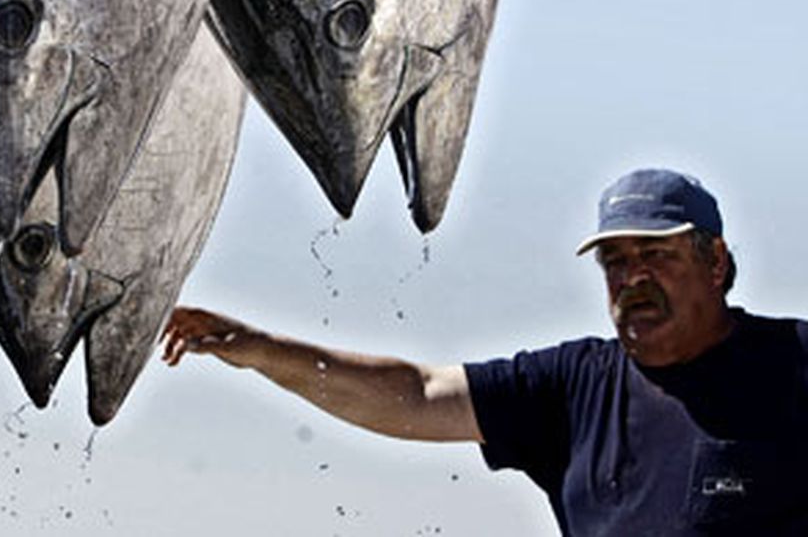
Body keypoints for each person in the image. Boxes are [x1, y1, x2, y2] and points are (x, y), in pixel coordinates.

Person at [160, 168, 808, 534]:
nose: (632, 278)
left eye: (656, 255)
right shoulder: (573, 385)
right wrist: (262, 351)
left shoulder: (793, 363)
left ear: (715, 263)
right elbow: (417, 395)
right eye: (615, 260)